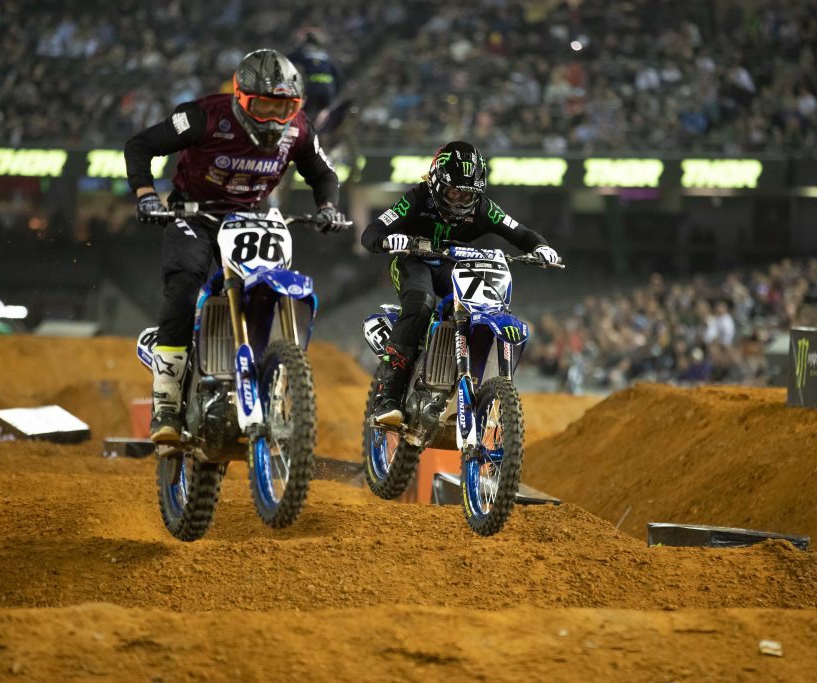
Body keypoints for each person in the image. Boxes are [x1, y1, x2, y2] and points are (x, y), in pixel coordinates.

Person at [124, 49, 349, 444]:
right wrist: (145, 194)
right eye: (264, 105)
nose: (275, 117)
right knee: (183, 285)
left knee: (264, 285)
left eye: (285, 107)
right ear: (241, 97)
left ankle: (265, 372)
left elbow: (322, 173)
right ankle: (166, 403)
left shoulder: (298, 129)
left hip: (250, 219)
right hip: (194, 213)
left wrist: (328, 207)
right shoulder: (204, 116)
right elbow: (140, 145)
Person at [360, 140, 560, 425]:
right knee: (422, 303)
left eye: (467, 196)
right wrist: (387, 239)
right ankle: (388, 395)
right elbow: (372, 230)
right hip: (412, 262)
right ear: (437, 184)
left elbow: (521, 233)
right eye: (454, 192)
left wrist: (541, 248)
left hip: (452, 265)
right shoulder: (418, 198)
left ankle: (468, 380)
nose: (459, 201)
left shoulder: (483, 209)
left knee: (480, 304)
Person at [288, 30, 341, 126]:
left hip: (312, 86)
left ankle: (298, 128)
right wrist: (336, 90)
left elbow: (287, 58)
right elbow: (338, 75)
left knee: (303, 110)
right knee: (325, 109)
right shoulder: (326, 55)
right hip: (327, 87)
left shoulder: (303, 52)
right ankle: (317, 129)